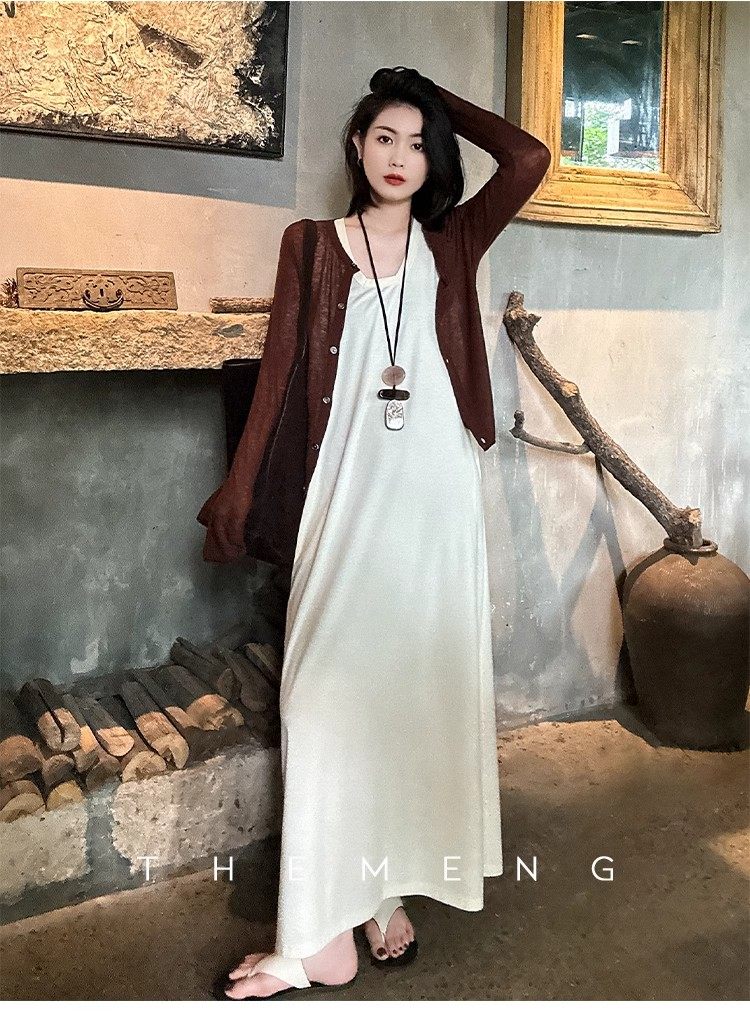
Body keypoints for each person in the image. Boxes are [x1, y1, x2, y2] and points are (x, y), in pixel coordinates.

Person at [210, 67, 551, 1001]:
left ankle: (368, 896)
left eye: (418, 141)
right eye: (385, 137)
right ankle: (315, 927)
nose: (401, 156)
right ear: (357, 148)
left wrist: (430, 94)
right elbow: (279, 371)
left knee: (408, 691)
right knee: (319, 695)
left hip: (433, 491)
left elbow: (528, 157)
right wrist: (238, 488)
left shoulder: (455, 238)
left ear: (434, 158)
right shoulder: (312, 245)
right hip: (345, 487)